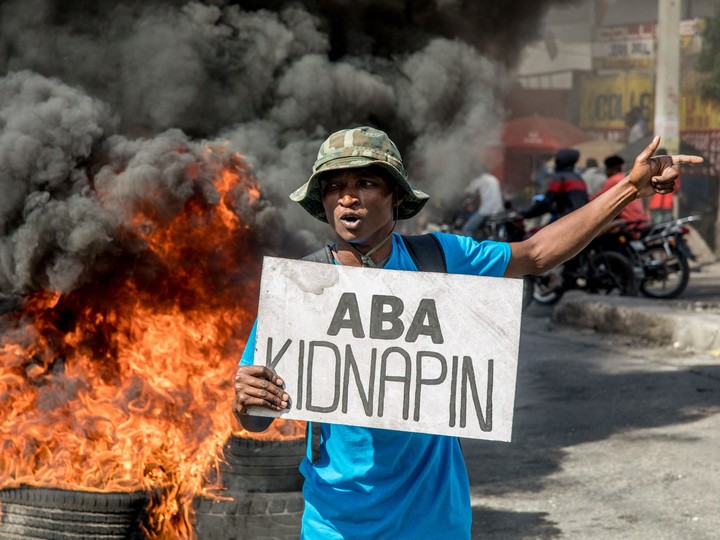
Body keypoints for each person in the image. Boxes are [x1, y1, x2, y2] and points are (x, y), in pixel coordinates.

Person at [232, 126, 701, 539]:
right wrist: (245, 397)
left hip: (433, 525)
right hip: (333, 527)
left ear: (396, 196)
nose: (348, 197)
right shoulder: (299, 289)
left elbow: (535, 255)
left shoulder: (440, 258)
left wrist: (630, 189)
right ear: (323, 202)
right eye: (334, 186)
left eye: (365, 183)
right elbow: (255, 418)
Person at [520, 147, 588, 223]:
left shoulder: (559, 177)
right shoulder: (578, 178)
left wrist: (526, 214)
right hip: (582, 219)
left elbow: (547, 201)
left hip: (568, 220)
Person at [593, 154, 650, 230]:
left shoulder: (613, 180)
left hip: (630, 222)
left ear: (610, 169)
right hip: (641, 219)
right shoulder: (626, 178)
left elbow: (598, 199)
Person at [459, 168, 505, 237]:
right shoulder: (493, 178)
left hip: (487, 210)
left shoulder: (479, 180)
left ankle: (472, 247)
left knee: (466, 230)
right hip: (499, 210)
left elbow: (468, 191)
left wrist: (460, 196)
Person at [648, 147, 680, 223]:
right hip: (667, 204)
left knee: (657, 228)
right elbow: (677, 188)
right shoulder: (673, 172)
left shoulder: (651, 172)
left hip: (655, 204)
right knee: (666, 228)